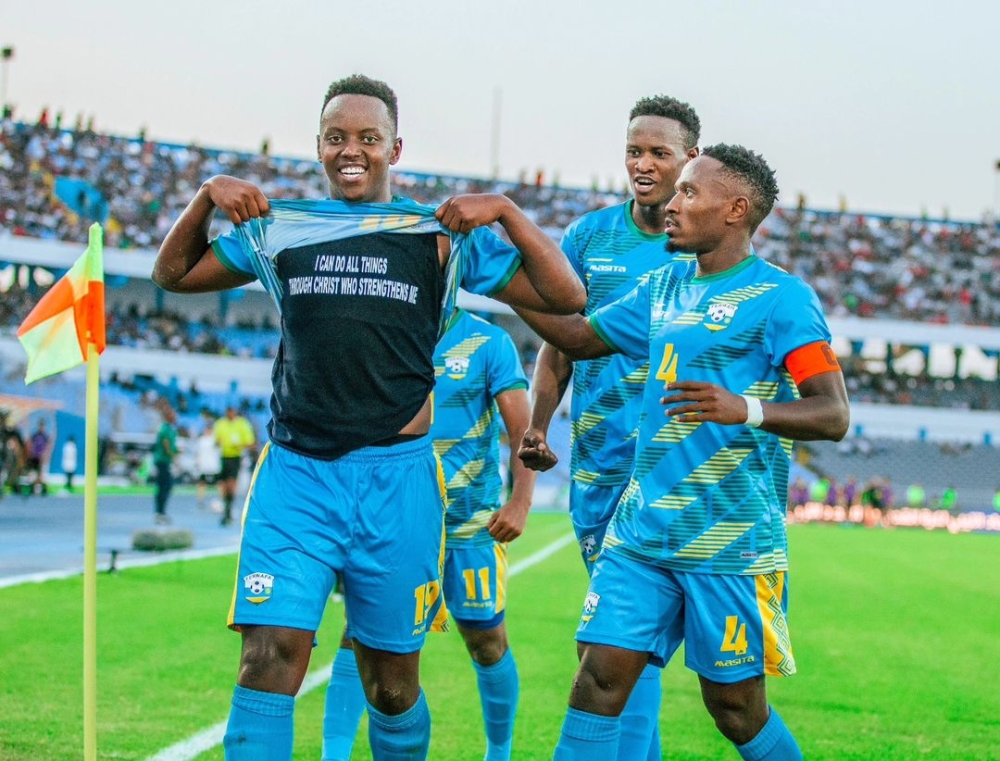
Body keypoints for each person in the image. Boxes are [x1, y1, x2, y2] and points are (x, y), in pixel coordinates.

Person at [151, 74, 584, 761]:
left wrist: (503, 208)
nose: (351, 150)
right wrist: (206, 197)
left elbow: (565, 295)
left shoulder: (439, 236)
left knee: (389, 683)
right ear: (319, 147)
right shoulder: (278, 229)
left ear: (395, 147)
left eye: (368, 138)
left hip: (401, 482)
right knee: (269, 658)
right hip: (297, 474)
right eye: (336, 137)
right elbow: (172, 274)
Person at [516, 145, 850, 759]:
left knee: (735, 711)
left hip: (729, 545)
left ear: (736, 209)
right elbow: (577, 336)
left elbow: (832, 413)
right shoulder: (664, 284)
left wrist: (745, 408)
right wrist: (496, 273)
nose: (671, 204)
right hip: (641, 535)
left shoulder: (783, 299)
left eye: (690, 193)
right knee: (596, 680)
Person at [518, 94, 701, 760]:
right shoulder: (590, 237)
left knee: (623, 636)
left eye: (659, 152)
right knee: (618, 638)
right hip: (596, 464)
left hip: (668, 469)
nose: (643, 164)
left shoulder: (702, 250)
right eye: (634, 150)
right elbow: (559, 342)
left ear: (692, 159)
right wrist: (538, 426)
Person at [323, 308, 536, 760]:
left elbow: (523, 430)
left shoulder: (488, 341)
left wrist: (520, 500)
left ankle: (499, 753)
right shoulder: (381, 328)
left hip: (470, 525)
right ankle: (333, 754)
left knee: (486, 640)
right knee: (357, 633)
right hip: (394, 520)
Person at [213, 406, 256, 525]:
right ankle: (226, 507)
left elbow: (250, 443)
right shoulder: (220, 424)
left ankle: (228, 510)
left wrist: (239, 445)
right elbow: (216, 441)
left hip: (235, 457)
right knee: (223, 485)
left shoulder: (242, 424)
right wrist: (219, 442)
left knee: (232, 483)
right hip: (223, 457)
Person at [153, 405, 179, 525]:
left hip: (165, 461)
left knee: (166, 486)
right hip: (162, 461)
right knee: (164, 486)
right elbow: (166, 444)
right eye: (173, 415)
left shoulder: (170, 429)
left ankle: (161, 512)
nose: (175, 417)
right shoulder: (164, 429)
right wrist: (174, 457)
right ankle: (159, 512)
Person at [194, 421, 222, 509]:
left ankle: (222, 500)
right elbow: (198, 453)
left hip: (214, 466)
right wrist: (198, 463)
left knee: (219, 483)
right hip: (204, 467)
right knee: (202, 484)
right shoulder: (201, 440)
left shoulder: (215, 440)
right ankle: (200, 501)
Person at [25, 418, 51, 495]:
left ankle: (40, 489)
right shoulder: (35, 435)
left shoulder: (45, 436)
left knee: (41, 474)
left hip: (41, 458)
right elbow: (31, 444)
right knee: (33, 474)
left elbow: (47, 447)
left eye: (43, 426)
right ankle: (32, 488)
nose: (42, 428)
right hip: (35, 457)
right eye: (41, 426)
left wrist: (45, 456)